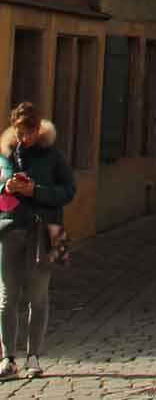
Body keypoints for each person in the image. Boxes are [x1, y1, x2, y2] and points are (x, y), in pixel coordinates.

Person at [0, 101, 76, 380]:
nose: (25, 138)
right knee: (7, 298)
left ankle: (34, 355)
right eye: (20, 132)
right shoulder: (5, 155)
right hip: (9, 229)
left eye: (29, 131)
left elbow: (69, 191)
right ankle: (8, 358)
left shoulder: (53, 156)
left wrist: (36, 191)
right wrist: (5, 186)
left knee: (38, 298)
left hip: (47, 231)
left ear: (38, 128)